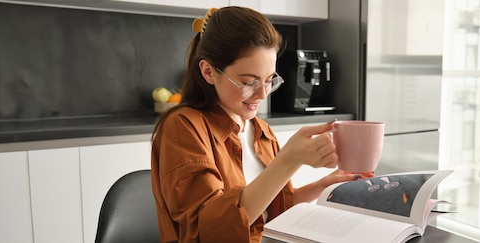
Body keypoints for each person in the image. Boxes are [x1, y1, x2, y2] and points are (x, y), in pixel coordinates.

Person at [150, 6, 361, 242]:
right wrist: (289, 160)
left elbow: (271, 212)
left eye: (269, 80)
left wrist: (323, 186)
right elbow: (209, 232)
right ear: (209, 72)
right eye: (249, 82)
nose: (262, 95)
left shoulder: (261, 131)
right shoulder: (183, 127)